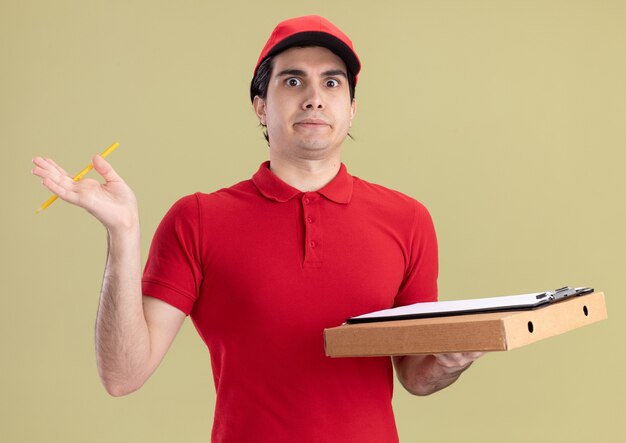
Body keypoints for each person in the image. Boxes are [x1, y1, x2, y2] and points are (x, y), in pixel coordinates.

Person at [32, 15, 483, 443]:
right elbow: (122, 375)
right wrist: (123, 235)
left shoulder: (408, 220)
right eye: (292, 81)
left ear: (352, 109)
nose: (314, 97)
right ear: (260, 107)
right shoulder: (198, 220)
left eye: (332, 82)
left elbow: (415, 375)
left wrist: (452, 359)